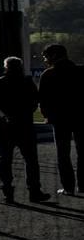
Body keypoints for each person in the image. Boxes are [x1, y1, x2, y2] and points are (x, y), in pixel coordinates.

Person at [0, 55, 48, 203]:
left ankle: (7, 191)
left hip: (3, 128)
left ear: (6, 67)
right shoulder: (27, 83)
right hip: (24, 127)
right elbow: (35, 102)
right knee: (31, 160)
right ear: (20, 67)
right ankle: (34, 191)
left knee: (5, 160)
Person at [38, 43, 83, 195]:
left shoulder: (48, 75)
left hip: (60, 119)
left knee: (63, 154)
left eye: (46, 57)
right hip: (81, 117)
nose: (45, 60)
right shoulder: (80, 71)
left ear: (54, 56)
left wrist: (47, 115)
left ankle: (68, 187)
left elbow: (43, 100)